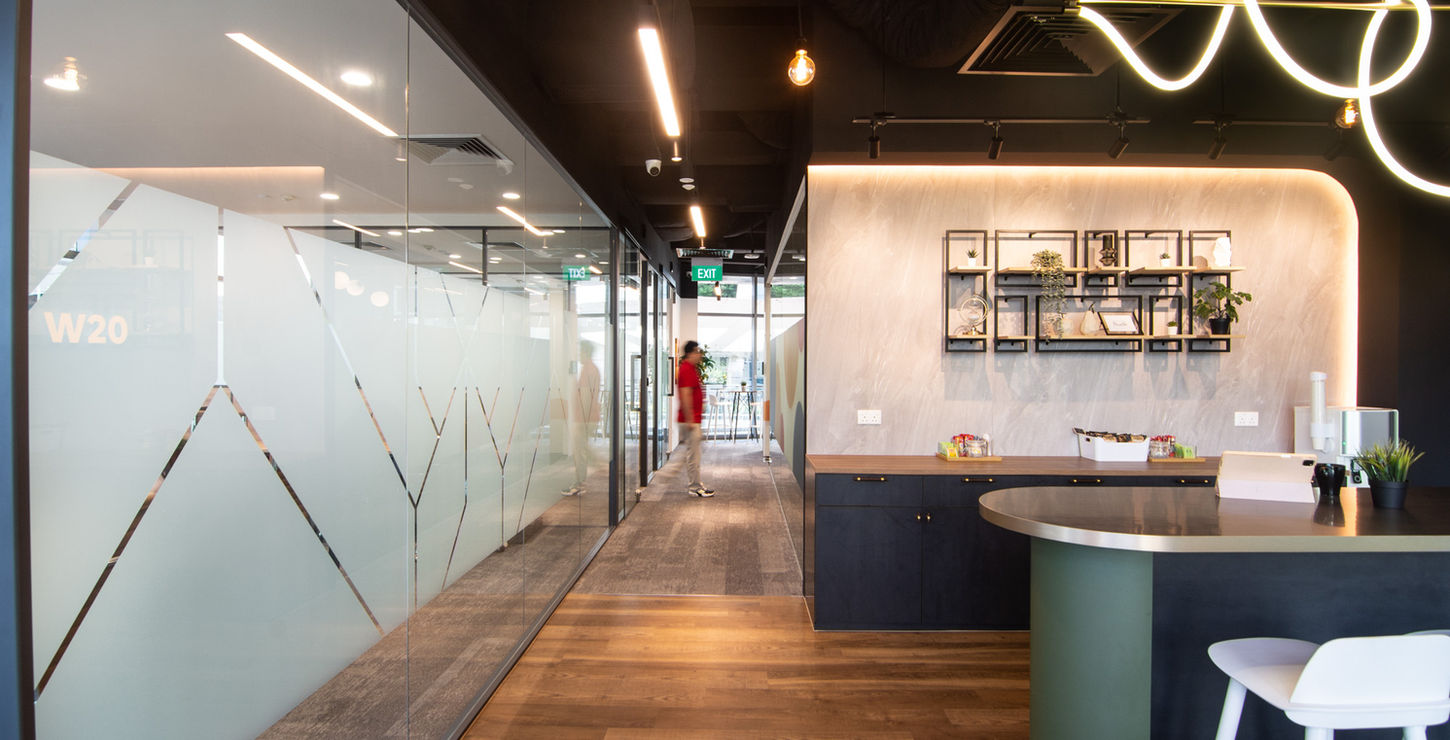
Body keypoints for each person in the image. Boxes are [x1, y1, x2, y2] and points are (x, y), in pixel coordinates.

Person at [562, 341, 601, 496]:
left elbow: (585, 397)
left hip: (585, 417)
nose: (579, 355)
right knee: (583, 449)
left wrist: (582, 421)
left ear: (586, 352)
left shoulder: (588, 370)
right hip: (589, 416)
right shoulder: (593, 369)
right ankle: (583, 479)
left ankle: (580, 483)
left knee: (580, 451)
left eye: (580, 352)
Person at [676, 340, 714, 497]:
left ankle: (695, 483)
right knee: (693, 455)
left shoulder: (690, 368)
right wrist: (691, 419)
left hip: (692, 419)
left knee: (692, 453)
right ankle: (695, 487)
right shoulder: (686, 369)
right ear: (690, 353)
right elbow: (685, 395)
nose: (700, 355)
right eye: (698, 351)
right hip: (689, 420)